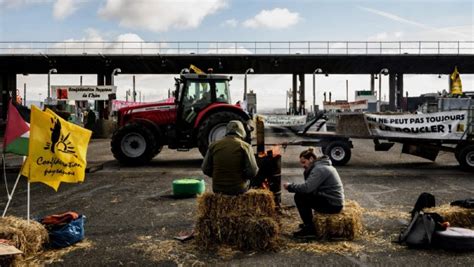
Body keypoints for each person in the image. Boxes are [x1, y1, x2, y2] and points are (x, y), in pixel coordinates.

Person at [283, 147, 345, 238]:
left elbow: (307, 188)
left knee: (300, 197)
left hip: (333, 205)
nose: (303, 165)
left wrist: (290, 186)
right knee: (304, 195)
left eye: (304, 162)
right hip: (332, 201)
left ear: (311, 159)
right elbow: (311, 188)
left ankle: (310, 229)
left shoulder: (320, 169)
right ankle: (310, 225)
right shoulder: (320, 166)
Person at [201, 120, 258, 195]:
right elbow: (253, 171)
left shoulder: (213, 145)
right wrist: (243, 177)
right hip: (238, 189)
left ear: (226, 131)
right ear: (242, 132)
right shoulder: (245, 146)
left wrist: (219, 176)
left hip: (218, 189)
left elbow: (205, 169)